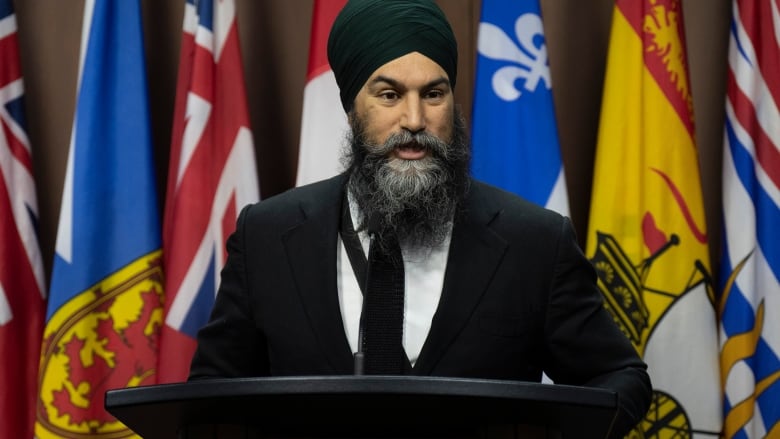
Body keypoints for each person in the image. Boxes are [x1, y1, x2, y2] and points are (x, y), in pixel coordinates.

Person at [189, 0, 651, 436]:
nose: (414, 119)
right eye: (389, 94)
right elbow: (210, 396)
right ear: (352, 108)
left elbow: (619, 377)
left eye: (433, 93)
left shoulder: (535, 241)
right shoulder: (267, 235)